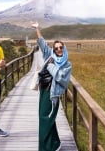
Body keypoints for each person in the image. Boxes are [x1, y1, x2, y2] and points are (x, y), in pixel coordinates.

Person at [32, 22, 72, 151]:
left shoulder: (67, 65)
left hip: (53, 95)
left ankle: (45, 148)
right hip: (44, 92)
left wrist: (50, 66)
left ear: (64, 49)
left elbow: (61, 78)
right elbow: (42, 44)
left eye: (61, 47)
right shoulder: (50, 56)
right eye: (56, 48)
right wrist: (37, 28)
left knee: (46, 119)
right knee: (45, 118)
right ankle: (54, 143)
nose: (59, 50)